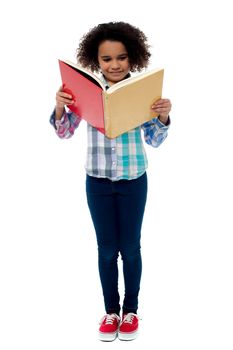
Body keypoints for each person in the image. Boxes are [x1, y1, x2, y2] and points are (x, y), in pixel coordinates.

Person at [50, 21, 171, 342]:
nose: (114, 64)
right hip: (98, 182)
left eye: (121, 58)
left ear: (133, 59)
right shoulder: (86, 92)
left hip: (134, 181)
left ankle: (131, 310)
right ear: (96, 60)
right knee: (106, 250)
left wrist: (162, 115)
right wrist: (61, 106)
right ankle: (110, 312)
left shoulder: (141, 91)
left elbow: (155, 140)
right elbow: (63, 133)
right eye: (107, 59)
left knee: (130, 248)